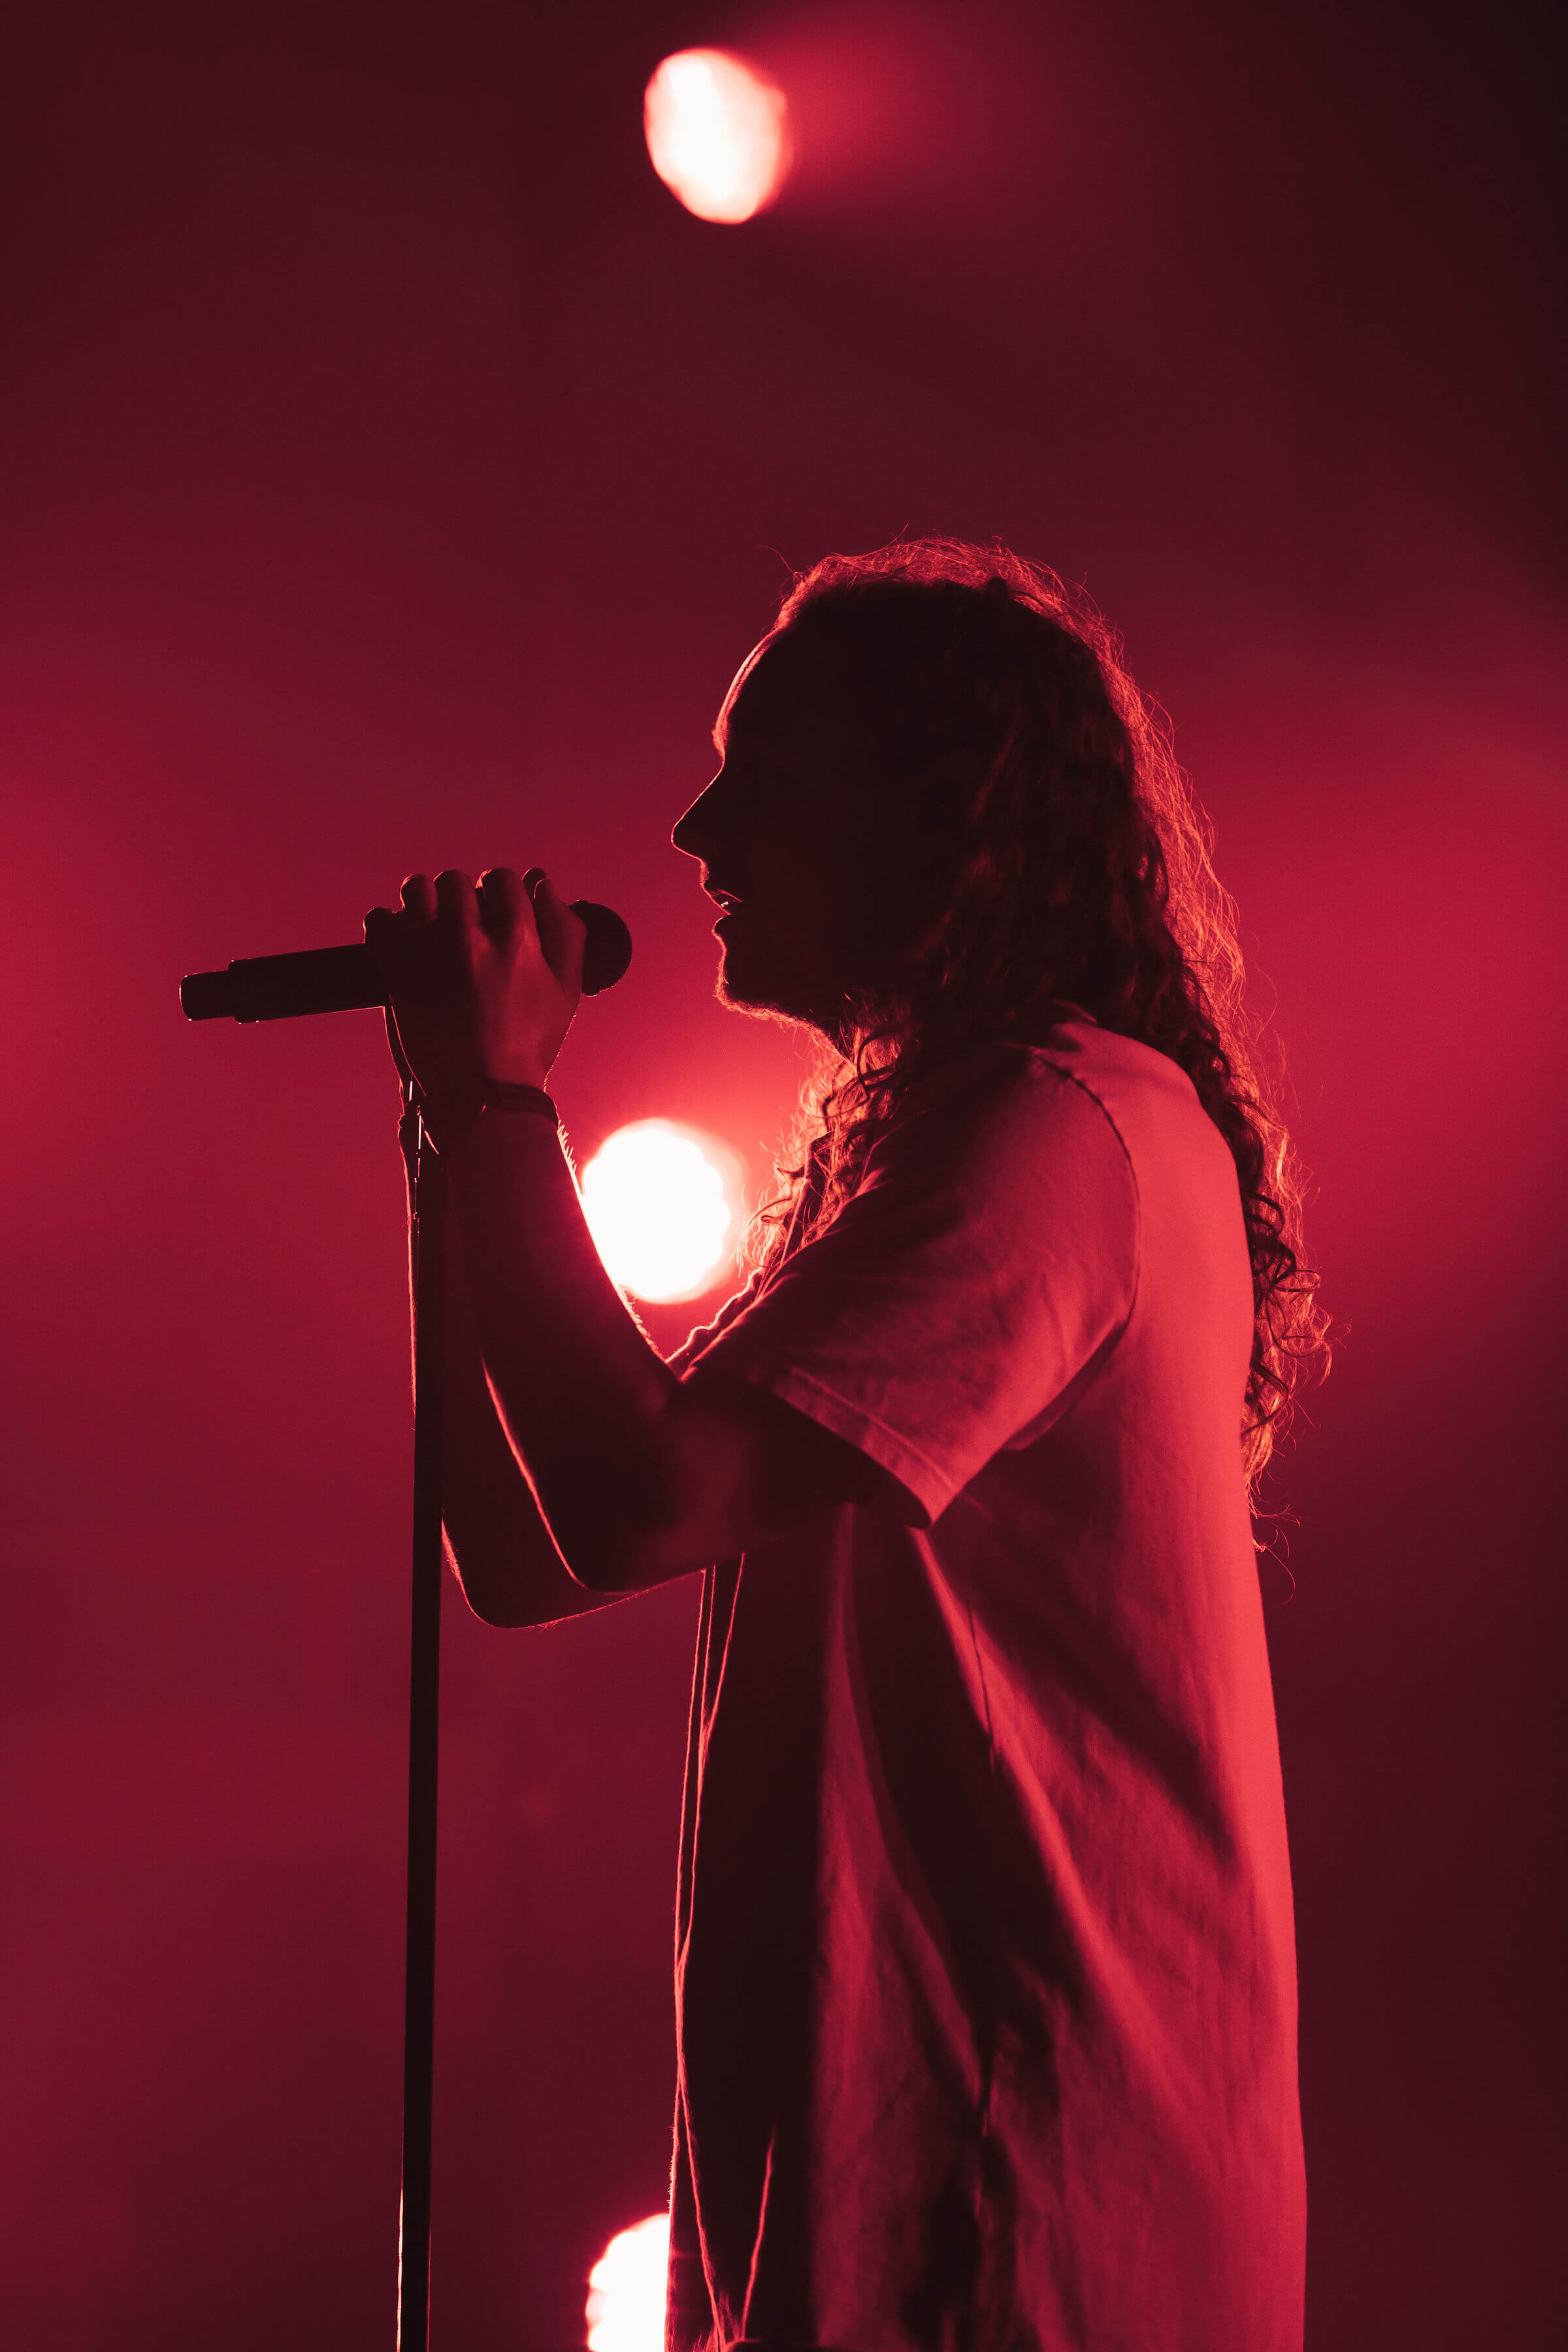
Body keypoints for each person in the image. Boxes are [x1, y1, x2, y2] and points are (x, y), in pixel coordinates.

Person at [365, 538, 1328, 2352]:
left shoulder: (1058, 1130)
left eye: (766, 776)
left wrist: (505, 1108)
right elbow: (523, 1555)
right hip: (912, 2203)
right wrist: (450, 1144)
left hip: (1033, 2206)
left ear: (934, 812)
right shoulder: (956, 1144)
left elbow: (638, 1495)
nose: (696, 833)